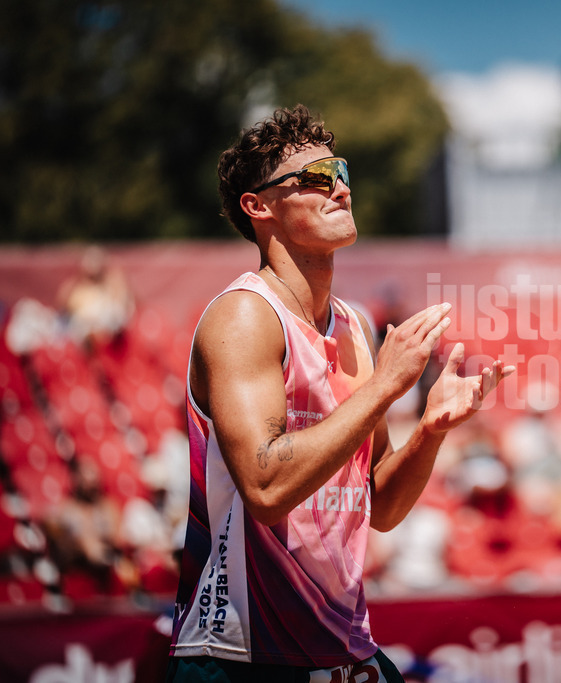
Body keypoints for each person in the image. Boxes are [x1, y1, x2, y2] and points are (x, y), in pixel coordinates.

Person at [166, 105, 513, 682]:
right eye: (317, 178)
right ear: (259, 206)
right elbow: (266, 487)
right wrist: (382, 387)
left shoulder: (352, 324)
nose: (341, 189)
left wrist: (431, 429)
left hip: (339, 649)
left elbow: (380, 507)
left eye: (342, 172)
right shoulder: (245, 317)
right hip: (239, 654)